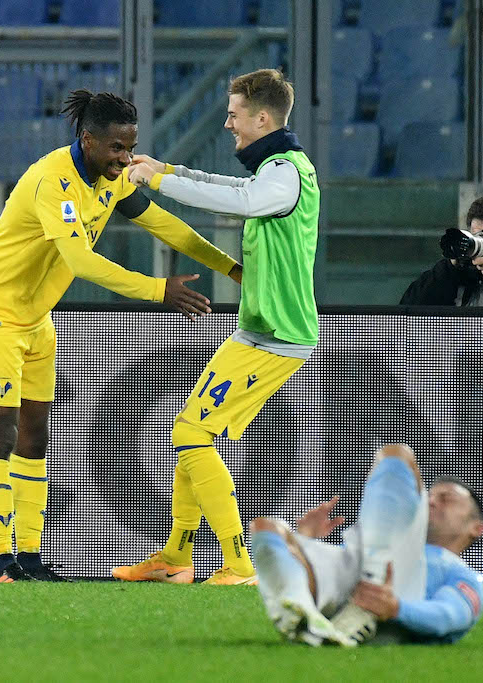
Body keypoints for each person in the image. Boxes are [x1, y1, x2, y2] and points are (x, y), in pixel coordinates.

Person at [0, 88, 242, 583]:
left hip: (35, 316)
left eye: (130, 148)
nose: (125, 159)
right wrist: (158, 291)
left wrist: (232, 269)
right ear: (87, 140)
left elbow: (165, 225)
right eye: (116, 149)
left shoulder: (114, 180)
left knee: (36, 434)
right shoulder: (53, 181)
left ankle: (28, 555)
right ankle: (2, 559)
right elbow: (80, 261)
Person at [114, 68, 318, 585]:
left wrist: (159, 181)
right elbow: (237, 187)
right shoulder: (276, 168)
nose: (227, 123)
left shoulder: (288, 171)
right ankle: (176, 558)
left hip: (280, 335)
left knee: (191, 433)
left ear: (263, 118)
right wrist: (169, 168)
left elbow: (242, 201)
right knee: (190, 433)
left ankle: (238, 563)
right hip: (261, 329)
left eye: (234, 114)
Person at [249, 444, 483, 646]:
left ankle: (368, 597)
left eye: (446, 499)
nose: (432, 501)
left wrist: (396, 608)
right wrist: (308, 540)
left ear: (476, 528)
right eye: (431, 496)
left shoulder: (463, 575)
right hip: (349, 589)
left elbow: (448, 615)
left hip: (390, 598)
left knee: (397, 454)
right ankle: (309, 619)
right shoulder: (383, 539)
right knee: (267, 529)